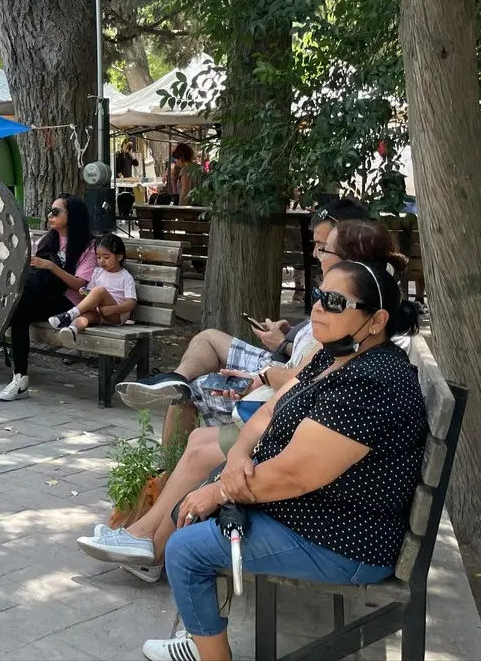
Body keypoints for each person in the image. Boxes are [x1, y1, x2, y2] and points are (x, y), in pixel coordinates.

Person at [76, 217, 410, 584]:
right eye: (318, 296)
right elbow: (299, 388)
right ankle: (176, 388)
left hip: (336, 518)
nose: (316, 254)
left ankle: (153, 545)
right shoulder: (346, 330)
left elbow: (299, 461)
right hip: (287, 414)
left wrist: (224, 484)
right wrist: (282, 340)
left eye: (324, 247)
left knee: (203, 448)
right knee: (206, 353)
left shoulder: (362, 354)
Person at [138, 261, 425, 661]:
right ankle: (201, 634)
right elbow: (270, 411)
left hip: (347, 540)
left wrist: (222, 489)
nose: (319, 308)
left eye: (335, 301)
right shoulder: (334, 354)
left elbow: (295, 474)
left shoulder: (372, 383)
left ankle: (209, 652)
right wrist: (237, 456)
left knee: (185, 548)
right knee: (195, 505)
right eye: (319, 296)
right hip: (319, 511)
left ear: (376, 320)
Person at [116, 198, 369, 445]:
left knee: (191, 391)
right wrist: (289, 335)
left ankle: (167, 471)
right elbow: (317, 352)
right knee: (207, 338)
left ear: (348, 245)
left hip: (281, 381)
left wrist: (278, 351)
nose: (315, 253)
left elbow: (313, 369)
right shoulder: (348, 287)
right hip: (283, 365)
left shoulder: (351, 300)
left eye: (322, 247)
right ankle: (174, 378)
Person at [0, 193, 95, 402]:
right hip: (40, 295)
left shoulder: (87, 247)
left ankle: (18, 375)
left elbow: (79, 284)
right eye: (50, 211)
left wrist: (50, 266)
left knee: (18, 307)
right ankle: (20, 377)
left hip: (68, 302)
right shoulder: (46, 240)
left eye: (56, 212)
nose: (50, 215)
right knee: (19, 310)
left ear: (73, 216)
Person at [48, 233, 137, 344]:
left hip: (116, 315)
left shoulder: (125, 277)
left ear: (119, 257)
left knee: (100, 290)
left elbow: (131, 303)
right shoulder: (97, 272)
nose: (101, 261)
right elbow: (91, 293)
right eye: (98, 257)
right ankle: (71, 331)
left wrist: (111, 309)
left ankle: (68, 315)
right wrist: (84, 292)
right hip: (99, 313)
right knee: (83, 318)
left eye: (106, 257)